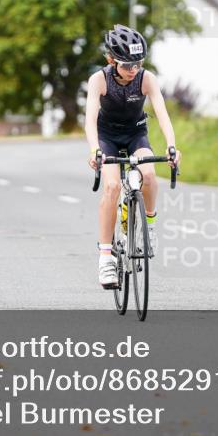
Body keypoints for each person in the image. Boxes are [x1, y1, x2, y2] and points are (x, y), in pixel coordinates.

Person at [85, 24, 181, 289]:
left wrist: (172, 146)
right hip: (107, 137)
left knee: (149, 174)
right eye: (127, 65)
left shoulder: (146, 79)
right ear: (111, 60)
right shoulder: (99, 80)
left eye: (137, 63)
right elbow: (90, 119)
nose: (133, 70)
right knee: (113, 186)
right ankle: (106, 257)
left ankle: (148, 225)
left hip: (135, 133)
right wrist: (94, 149)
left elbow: (162, 114)